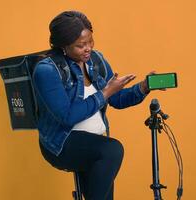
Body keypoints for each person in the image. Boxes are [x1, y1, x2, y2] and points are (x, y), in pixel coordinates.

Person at [33, 10, 153, 200]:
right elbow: (67, 116)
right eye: (81, 45)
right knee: (112, 150)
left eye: (90, 41)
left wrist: (143, 88)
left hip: (94, 143)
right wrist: (106, 91)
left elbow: (117, 99)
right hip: (62, 144)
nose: (88, 48)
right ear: (64, 46)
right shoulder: (47, 70)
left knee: (105, 178)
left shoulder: (96, 60)